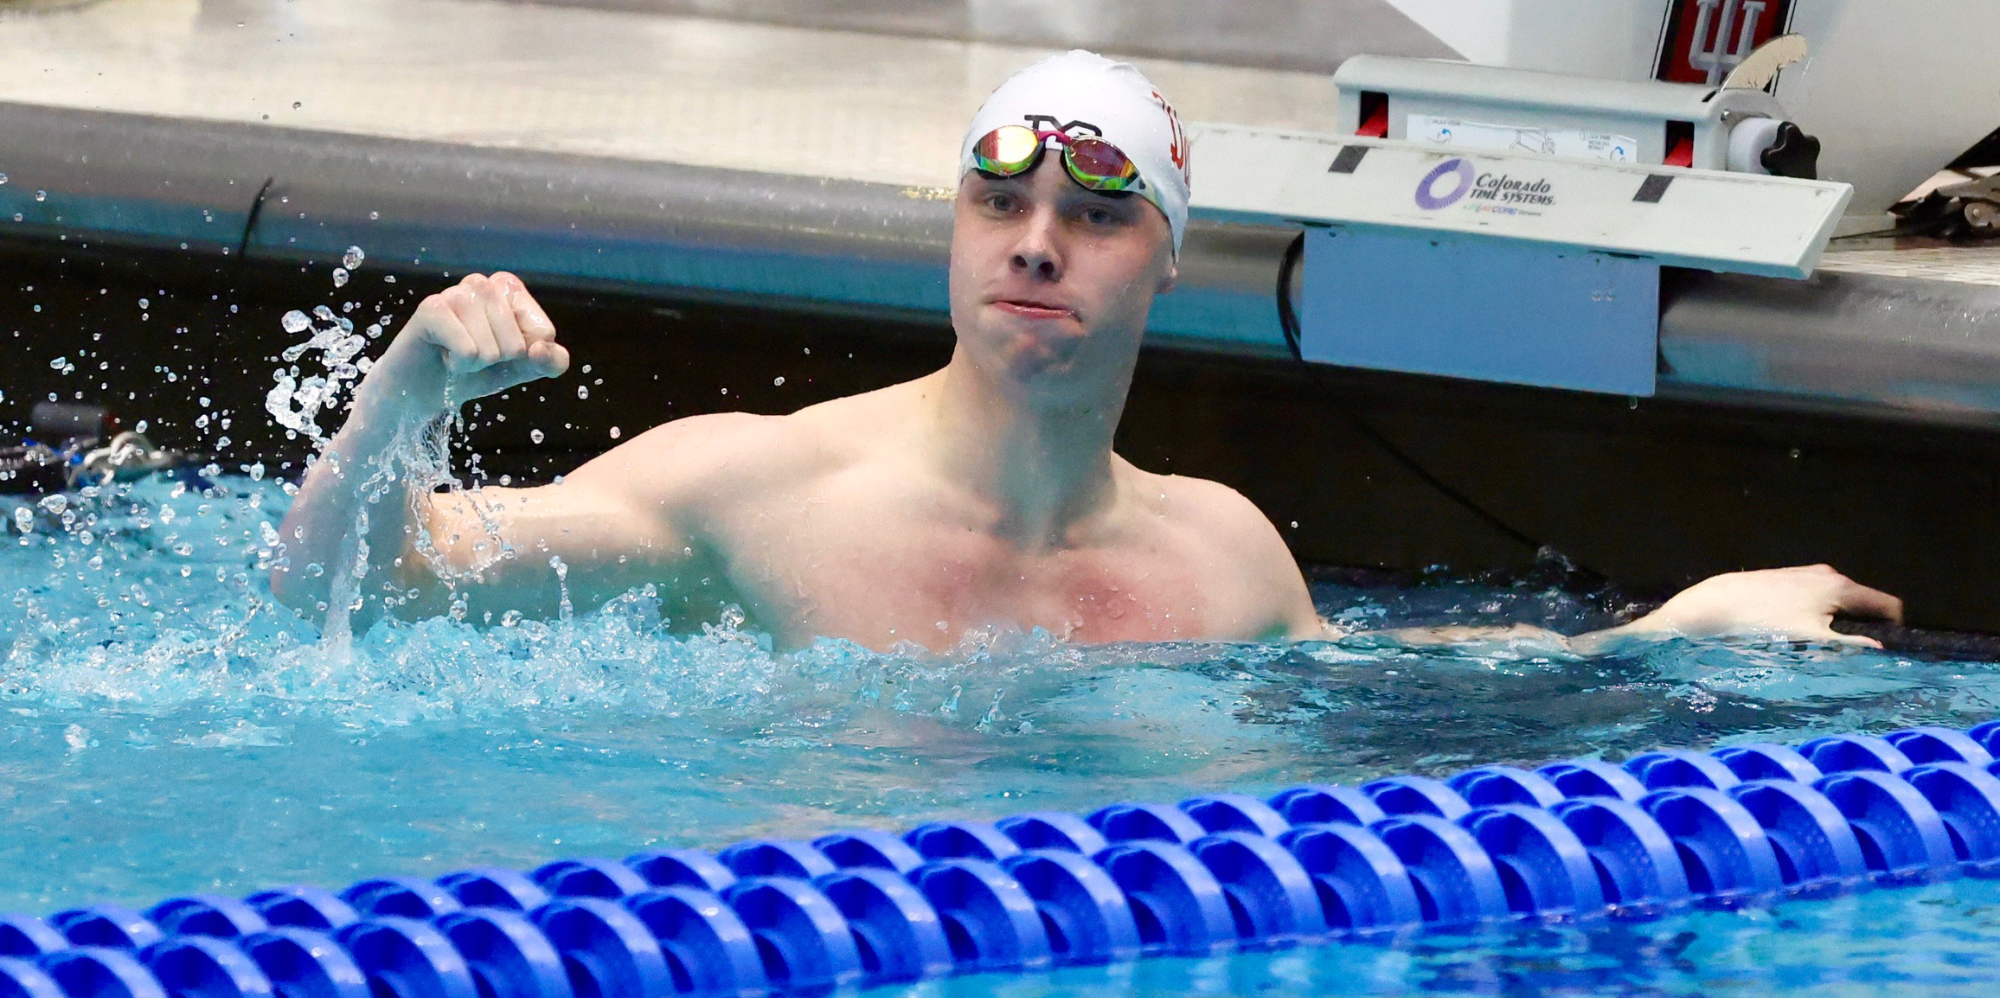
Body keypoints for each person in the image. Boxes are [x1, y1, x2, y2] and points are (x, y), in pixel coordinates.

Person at [270, 51, 1902, 652]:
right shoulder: (753, 489)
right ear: (959, 233)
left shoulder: (1219, 550)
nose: (1040, 238)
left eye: (1100, 210)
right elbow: (335, 592)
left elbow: (1377, 675)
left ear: (1166, 261)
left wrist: (1668, 629)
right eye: (1002, 199)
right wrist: (409, 385)